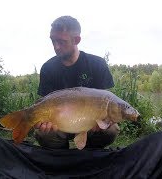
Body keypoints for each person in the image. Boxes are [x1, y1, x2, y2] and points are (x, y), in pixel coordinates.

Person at [34, 15, 119, 149]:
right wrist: (42, 121)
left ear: (76, 40)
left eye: (62, 42)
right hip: (60, 124)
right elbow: (44, 104)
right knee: (44, 134)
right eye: (53, 41)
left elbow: (107, 103)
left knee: (110, 130)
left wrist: (104, 120)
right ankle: (60, 158)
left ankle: (91, 153)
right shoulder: (48, 68)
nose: (56, 46)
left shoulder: (97, 64)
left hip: (90, 124)